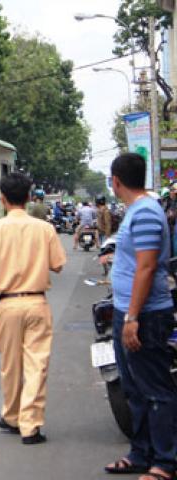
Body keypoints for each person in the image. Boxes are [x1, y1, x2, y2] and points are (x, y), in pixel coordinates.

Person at [0, 172, 66, 445]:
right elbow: (58, 265)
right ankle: (31, 425)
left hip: (8, 304)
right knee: (36, 365)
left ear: (3, 198)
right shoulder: (44, 228)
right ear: (28, 197)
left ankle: (12, 416)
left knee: (10, 365)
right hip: (37, 302)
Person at [104, 153, 176, 480]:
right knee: (133, 388)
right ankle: (140, 453)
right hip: (126, 311)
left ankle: (165, 462)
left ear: (116, 180)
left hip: (145, 315)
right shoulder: (138, 210)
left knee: (156, 390)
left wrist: (133, 317)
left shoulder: (146, 211)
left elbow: (146, 267)